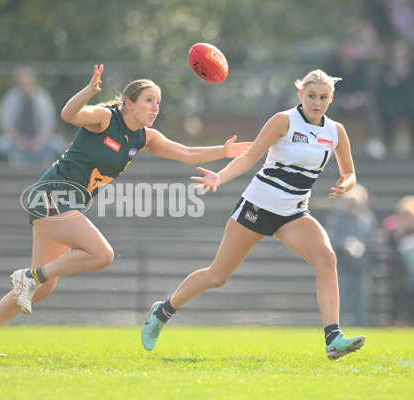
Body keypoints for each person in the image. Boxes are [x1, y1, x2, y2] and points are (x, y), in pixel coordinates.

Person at [0, 64, 251, 356]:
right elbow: (68, 115)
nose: (155, 107)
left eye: (158, 102)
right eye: (149, 100)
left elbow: (186, 153)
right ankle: (30, 276)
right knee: (101, 255)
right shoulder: (104, 117)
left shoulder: (144, 137)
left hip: (65, 203)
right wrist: (87, 92)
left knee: (45, 287)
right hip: (50, 195)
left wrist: (223, 152)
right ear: (129, 103)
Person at [141, 69, 366, 361]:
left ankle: (333, 338)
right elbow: (249, 157)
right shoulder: (283, 121)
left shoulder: (335, 131)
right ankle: (163, 310)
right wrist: (219, 178)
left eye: (323, 97)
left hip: (294, 214)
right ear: (301, 94)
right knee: (217, 277)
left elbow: (349, 172)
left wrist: (345, 184)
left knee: (327, 259)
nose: (316, 102)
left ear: (331, 99)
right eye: (311, 96)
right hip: (257, 207)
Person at [326, 184, 377, 326]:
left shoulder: (367, 218)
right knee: (340, 297)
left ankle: (359, 326)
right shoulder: (337, 218)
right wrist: (344, 244)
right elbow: (332, 237)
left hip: (361, 265)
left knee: (361, 299)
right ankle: (337, 327)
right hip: (343, 263)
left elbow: (370, 238)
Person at [0, 66, 63, 168]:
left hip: (40, 142)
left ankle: (37, 158)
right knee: (1, 143)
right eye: (21, 82)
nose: (24, 85)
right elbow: (7, 126)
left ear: (33, 81)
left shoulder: (43, 97)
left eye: (26, 82)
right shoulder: (10, 98)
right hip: (16, 142)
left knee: (58, 143)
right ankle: (27, 159)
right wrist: (19, 142)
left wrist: (37, 143)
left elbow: (48, 126)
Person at [381, 195, 414, 326]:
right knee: (395, 296)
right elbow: (391, 242)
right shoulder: (392, 225)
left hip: (410, 268)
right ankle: (394, 322)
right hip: (396, 268)